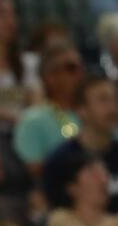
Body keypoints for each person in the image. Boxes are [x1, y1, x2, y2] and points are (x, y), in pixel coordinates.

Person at [41, 77, 118, 211]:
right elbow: (56, 213)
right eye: (103, 100)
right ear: (82, 110)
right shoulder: (60, 161)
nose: (113, 107)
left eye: (115, 99)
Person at [13, 41, 85, 175]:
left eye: (81, 67)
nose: (80, 73)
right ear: (50, 77)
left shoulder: (96, 113)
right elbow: (34, 170)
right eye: (71, 68)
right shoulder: (33, 120)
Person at [46, 158, 118, 226]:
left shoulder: (114, 222)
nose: (103, 180)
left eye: (105, 174)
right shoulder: (60, 219)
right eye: (94, 175)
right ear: (72, 188)